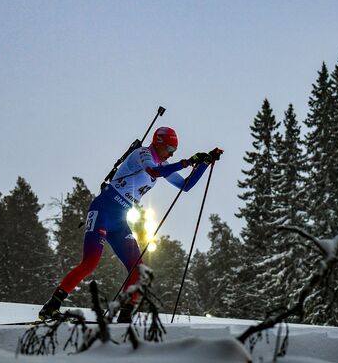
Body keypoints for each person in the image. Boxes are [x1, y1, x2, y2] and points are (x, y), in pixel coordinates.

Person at [39, 127, 221, 322]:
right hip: (103, 210)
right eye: (169, 148)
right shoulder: (142, 154)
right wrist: (186, 162)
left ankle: (124, 317)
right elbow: (153, 171)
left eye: (174, 150)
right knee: (90, 261)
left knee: (138, 269)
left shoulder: (164, 163)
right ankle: (51, 306)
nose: (171, 153)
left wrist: (204, 163)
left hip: (119, 219)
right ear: (158, 143)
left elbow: (185, 186)